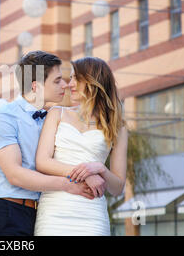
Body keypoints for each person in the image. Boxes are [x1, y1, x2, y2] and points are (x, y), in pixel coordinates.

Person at [0, 51, 101, 236]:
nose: (65, 85)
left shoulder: (56, 118)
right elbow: (15, 175)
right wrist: (68, 184)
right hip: (9, 213)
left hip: (44, 214)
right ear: (36, 86)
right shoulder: (4, 117)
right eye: (57, 81)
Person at [34, 56, 128, 236]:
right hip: (55, 211)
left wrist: (99, 169)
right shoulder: (56, 113)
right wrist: (86, 175)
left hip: (92, 213)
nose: (69, 84)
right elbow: (42, 162)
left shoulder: (118, 127)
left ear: (93, 82)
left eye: (76, 78)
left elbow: (117, 188)